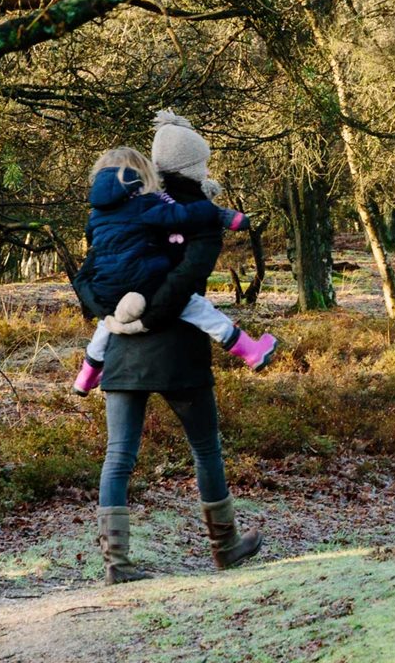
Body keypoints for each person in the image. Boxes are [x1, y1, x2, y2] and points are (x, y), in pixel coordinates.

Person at [73, 110, 263, 584]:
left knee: (118, 456)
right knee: (206, 449)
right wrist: (147, 318)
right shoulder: (195, 213)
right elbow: (183, 283)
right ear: (195, 165)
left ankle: (116, 564)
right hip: (177, 352)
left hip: (121, 353)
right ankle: (226, 548)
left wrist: (112, 315)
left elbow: (87, 277)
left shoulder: (118, 210)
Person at [71, 146, 278, 397]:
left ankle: (85, 377)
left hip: (107, 287)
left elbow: (94, 241)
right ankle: (251, 352)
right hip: (146, 282)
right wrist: (213, 212)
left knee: (106, 324)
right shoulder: (143, 203)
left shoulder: (96, 215)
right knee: (199, 308)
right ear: (140, 174)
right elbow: (179, 215)